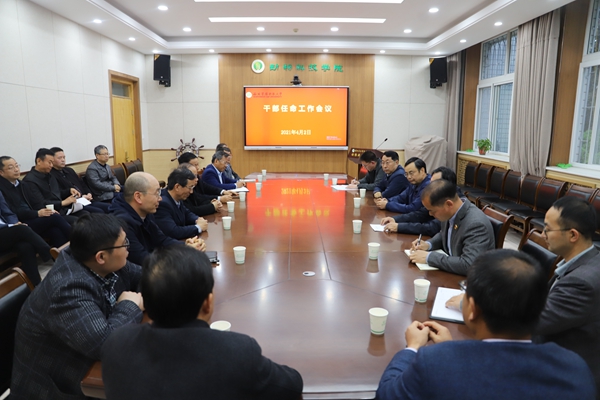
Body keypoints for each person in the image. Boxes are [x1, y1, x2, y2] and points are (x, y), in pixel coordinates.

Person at [375, 249, 596, 400]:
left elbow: (386, 394)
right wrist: (452, 350)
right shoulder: (574, 369)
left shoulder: (434, 362)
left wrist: (412, 348)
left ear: (472, 309)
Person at [101, 245, 304, 400]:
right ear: (208, 303)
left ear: (146, 301)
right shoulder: (238, 352)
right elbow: (292, 385)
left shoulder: (116, 344)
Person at [10, 214, 144, 400]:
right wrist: (130, 305)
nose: (128, 248)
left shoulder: (105, 261)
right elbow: (104, 344)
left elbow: (147, 276)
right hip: (57, 388)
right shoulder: (68, 288)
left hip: (83, 358)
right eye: (124, 244)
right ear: (101, 256)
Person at [534, 196, 600, 392]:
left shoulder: (582, 282)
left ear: (573, 235)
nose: (542, 234)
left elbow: (533, 321)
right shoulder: (589, 257)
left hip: (568, 373)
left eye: (547, 229)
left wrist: (476, 304)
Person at [109, 172, 205, 265]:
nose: (160, 198)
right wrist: (183, 254)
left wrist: (186, 246)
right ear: (138, 197)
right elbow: (143, 259)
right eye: (156, 193)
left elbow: (161, 240)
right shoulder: (122, 224)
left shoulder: (146, 212)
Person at [408, 179, 495, 275]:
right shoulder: (450, 212)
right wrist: (428, 244)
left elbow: (468, 265)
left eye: (432, 210)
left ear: (449, 204)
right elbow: (444, 234)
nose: (430, 214)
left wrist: (429, 257)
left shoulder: (476, 224)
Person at [0, 156, 71, 247]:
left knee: (55, 231)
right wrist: (37, 213)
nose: (16, 169)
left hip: (32, 218)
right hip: (20, 223)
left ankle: (65, 255)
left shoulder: (23, 184)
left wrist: (46, 211)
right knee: (55, 218)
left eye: (17, 166)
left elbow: (36, 203)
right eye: (11, 168)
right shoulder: (2, 190)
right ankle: (80, 242)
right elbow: (12, 212)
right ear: (1, 172)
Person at [380, 165, 460, 237]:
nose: (430, 187)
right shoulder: (438, 196)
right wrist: (395, 219)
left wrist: (399, 227)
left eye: (434, 183)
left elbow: (432, 228)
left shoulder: (453, 202)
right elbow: (420, 214)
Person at [0, 191, 54, 286]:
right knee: (22, 229)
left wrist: (14, 223)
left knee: (25, 246)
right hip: (4, 230)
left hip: (5, 232)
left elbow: (7, 213)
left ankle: (36, 286)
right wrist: (11, 226)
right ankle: (52, 255)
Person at [22, 148, 87, 224]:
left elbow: (56, 193)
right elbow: (40, 204)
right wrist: (63, 203)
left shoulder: (50, 175)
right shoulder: (30, 181)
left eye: (52, 163)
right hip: (50, 214)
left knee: (86, 215)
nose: (51, 165)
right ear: (39, 161)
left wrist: (69, 191)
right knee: (78, 222)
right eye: (49, 162)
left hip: (62, 210)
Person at [50, 147, 110, 213]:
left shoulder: (69, 170)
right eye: (59, 158)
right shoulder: (51, 175)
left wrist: (88, 193)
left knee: (109, 207)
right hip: (73, 204)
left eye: (64, 157)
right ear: (52, 160)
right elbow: (58, 193)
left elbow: (82, 183)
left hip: (85, 199)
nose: (63, 160)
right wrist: (80, 196)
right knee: (99, 211)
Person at [155, 168, 209, 240]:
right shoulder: (162, 203)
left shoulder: (177, 197)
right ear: (177, 187)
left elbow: (187, 213)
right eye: (190, 187)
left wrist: (198, 219)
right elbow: (173, 231)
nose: (191, 192)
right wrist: (198, 227)